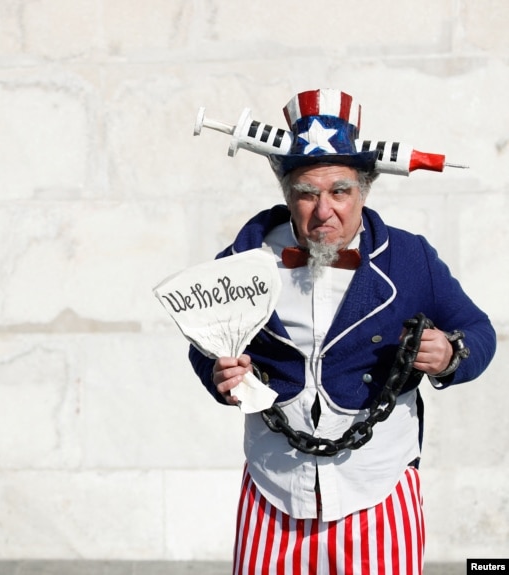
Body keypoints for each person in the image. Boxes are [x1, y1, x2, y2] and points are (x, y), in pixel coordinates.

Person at [188, 89, 496, 574]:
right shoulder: (243, 260)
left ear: (364, 191)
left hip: (379, 488)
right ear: (287, 193)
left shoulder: (412, 258)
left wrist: (452, 352)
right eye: (308, 193)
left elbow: (479, 331)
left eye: (340, 191)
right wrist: (219, 374)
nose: (324, 209)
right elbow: (203, 343)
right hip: (274, 489)